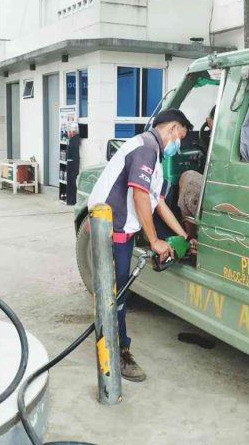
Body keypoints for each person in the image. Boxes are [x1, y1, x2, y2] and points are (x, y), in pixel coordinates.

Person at [87, 109, 196, 382]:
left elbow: (157, 203)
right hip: (110, 231)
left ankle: (114, 344)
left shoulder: (154, 155)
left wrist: (183, 236)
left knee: (117, 294)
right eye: (180, 137)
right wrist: (155, 240)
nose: (178, 145)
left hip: (119, 229)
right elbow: (139, 196)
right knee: (116, 296)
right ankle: (118, 353)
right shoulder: (146, 148)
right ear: (172, 128)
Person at [65, 122, 81, 205]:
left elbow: (74, 152)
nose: (68, 133)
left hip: (73, 165)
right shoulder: (72, 140)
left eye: (70, 131)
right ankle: (70, 199)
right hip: (71, 163)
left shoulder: (75, 140)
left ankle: (72, 200)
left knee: (72, 183)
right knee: (70, 183)